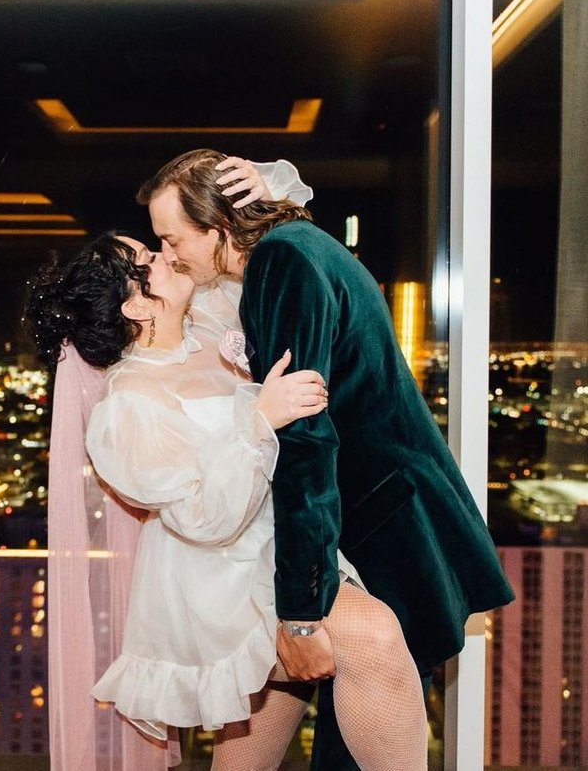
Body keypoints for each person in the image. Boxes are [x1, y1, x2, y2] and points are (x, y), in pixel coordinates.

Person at [138, 148, 516, 769]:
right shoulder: (301, 246)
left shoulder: (283, 260)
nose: (168, 251)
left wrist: (302, 612)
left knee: (351, 741)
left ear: (219, 228)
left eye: (172, 236)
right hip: (385, 516)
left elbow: (306, 440)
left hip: (382, 529)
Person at [26, 232, 429, 770]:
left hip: (278, 551)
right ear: (136, 305)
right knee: (373, 638)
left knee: (259, 734)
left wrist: (261, 191)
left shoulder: (212, 322)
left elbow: (253, 252)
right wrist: (261, 419)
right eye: (148, 259)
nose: (166, 255)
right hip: (215, 586)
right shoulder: (128, 405)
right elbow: (203, 519)